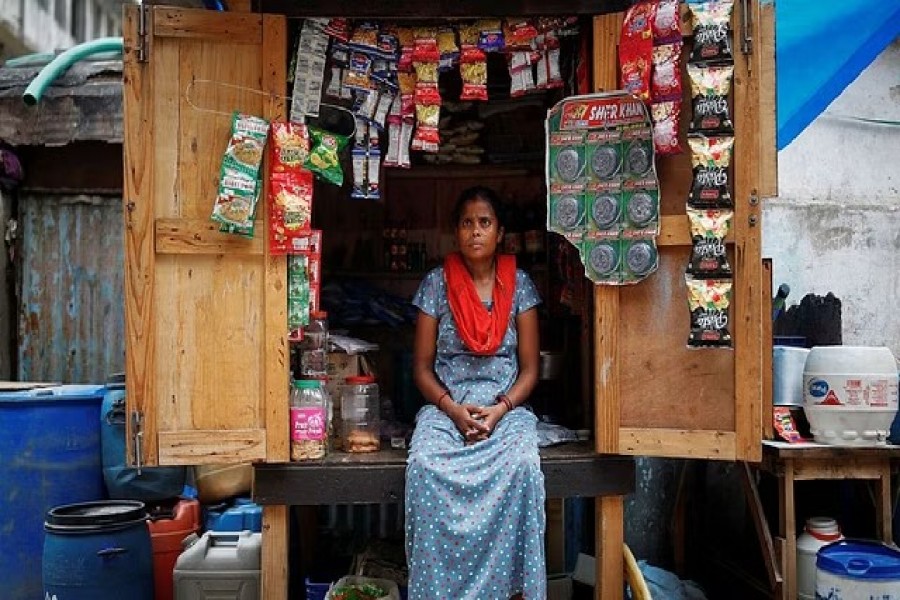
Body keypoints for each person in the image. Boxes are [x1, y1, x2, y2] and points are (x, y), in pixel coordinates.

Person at [405, 186, 546, 600]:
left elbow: (530, 368)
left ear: (500, 232)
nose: (476, 232)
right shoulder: (436, 284)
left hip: (506, 404)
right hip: (447, 403)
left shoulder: (520, 285)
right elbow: (421, 368)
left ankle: (510, 590)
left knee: (522, 466)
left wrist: (499, 411)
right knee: (423, 467)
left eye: (485, 223)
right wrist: (452, 410)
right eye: (467, 223)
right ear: (455, 232)